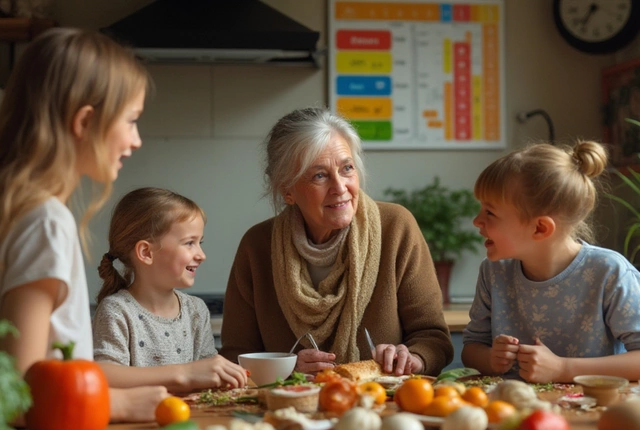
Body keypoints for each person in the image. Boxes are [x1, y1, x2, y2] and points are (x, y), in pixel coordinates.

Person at [0, 28, 168, 422]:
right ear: (85, 122)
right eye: (131, 120)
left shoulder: (20, 209)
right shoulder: (45, 221)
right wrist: (119, 404)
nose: (136, 139)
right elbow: (14, 391)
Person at [220, 107, 454, 376]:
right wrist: (285, 368)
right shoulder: (257, 245)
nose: (340, 187)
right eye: (319, 175)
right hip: (290, 408)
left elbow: (434, 338)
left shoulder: (396, 226)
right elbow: (234, 356)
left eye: (347, 168)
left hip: (380, 406)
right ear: (287, 190)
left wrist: (412, 358)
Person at [461, 141, 640, 383]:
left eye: (489, 213)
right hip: (513, 410)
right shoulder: (494, 271)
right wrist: (491, 358)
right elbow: (471, 349)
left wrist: (563, 369)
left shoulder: (609, 272)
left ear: (540, 228)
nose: (477, 221)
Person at [93, 187, 248, 391]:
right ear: (146, 252)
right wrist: (184, 374)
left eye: (199, 242)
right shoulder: (116, 311)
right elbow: (104, 375)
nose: (201, 255)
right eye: (189, 243)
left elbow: (207, 374)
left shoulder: (196, 310)